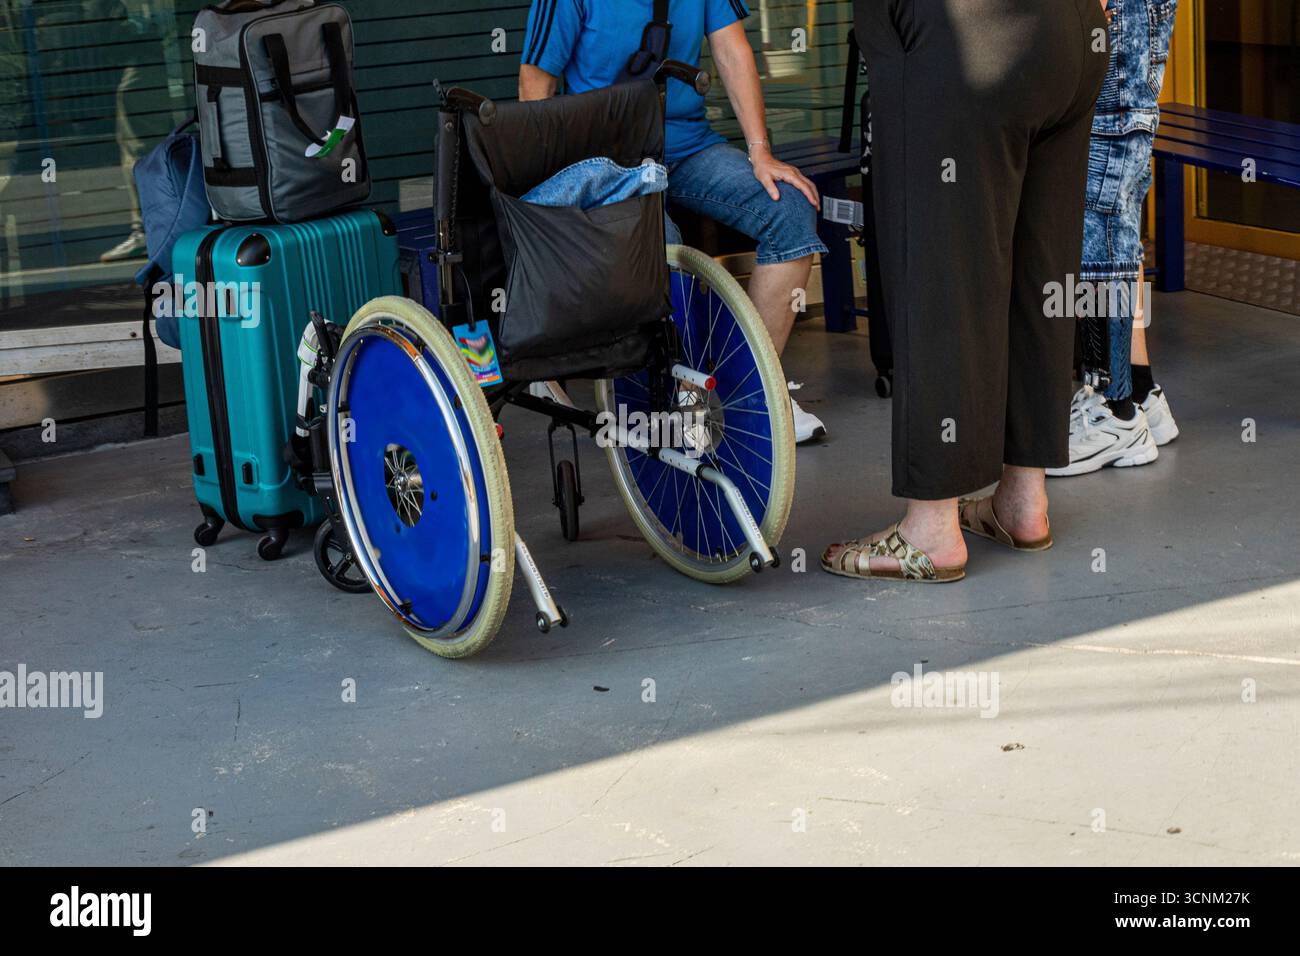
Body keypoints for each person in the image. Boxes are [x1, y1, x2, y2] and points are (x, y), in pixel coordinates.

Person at [823, 0, 1108, 583]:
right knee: (1042, 267)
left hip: (959, 35)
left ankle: (931, 529)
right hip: (1073, 35)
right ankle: (1023, 503)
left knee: (939, 270)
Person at [518, 0, 829, 443]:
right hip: (604, 156)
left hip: (685, 145)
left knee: (790, 209)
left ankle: (755, 394)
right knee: (659, 240)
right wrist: (557, 192)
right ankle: (684, 397)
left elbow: (732, 49)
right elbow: (536, 82)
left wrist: (760, 149)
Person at [1048, 0, 1180, 476]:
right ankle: (1140, 391)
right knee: (1115, 208)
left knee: (1099, 210)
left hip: (1117, 15)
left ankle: (1113, 409)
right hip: (1130, 15)